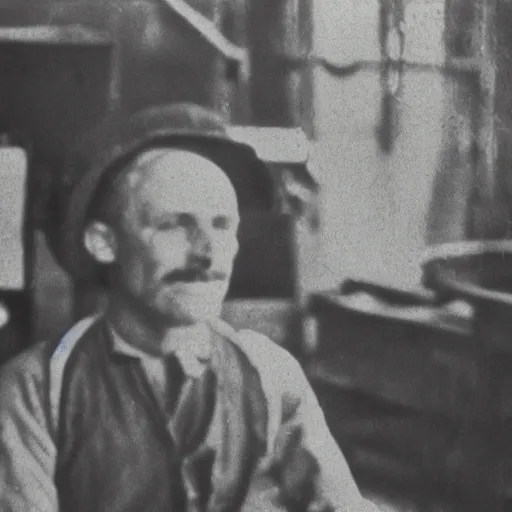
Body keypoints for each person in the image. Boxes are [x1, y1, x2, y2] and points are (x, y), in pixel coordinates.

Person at [0, 103, 380, 512]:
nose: (206, 253)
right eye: (174, 225)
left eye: (221, 225)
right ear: (104, 243)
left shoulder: (268, 374)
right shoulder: (36, 389)